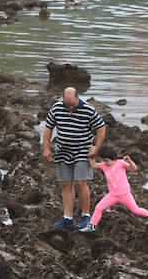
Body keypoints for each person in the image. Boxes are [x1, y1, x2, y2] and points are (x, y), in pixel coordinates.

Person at [41, 86, 106, 229]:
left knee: (80, 182)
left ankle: (86, 215)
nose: (70, 108)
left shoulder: (88, 110)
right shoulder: (57, 108)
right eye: (67, 105)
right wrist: (46, 148)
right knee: (65, 183)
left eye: (73, 105)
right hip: (63, 151)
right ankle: (67, 218)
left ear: (78, 98)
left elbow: (101, 127)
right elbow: (48, 128)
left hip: (83, 151)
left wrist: (96, 147)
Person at [81, 144, 148, 234]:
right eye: (103, 160)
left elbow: (134, 169)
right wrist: (91, 157)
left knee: (135, 210)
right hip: (112, 195)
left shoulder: (121, 163)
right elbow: (93, 165)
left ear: (114, 158)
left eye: (107, 160)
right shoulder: (104, 165)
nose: (105, 162)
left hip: (125, 194)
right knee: (98, 207)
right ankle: (92, 226)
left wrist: (130, 161)